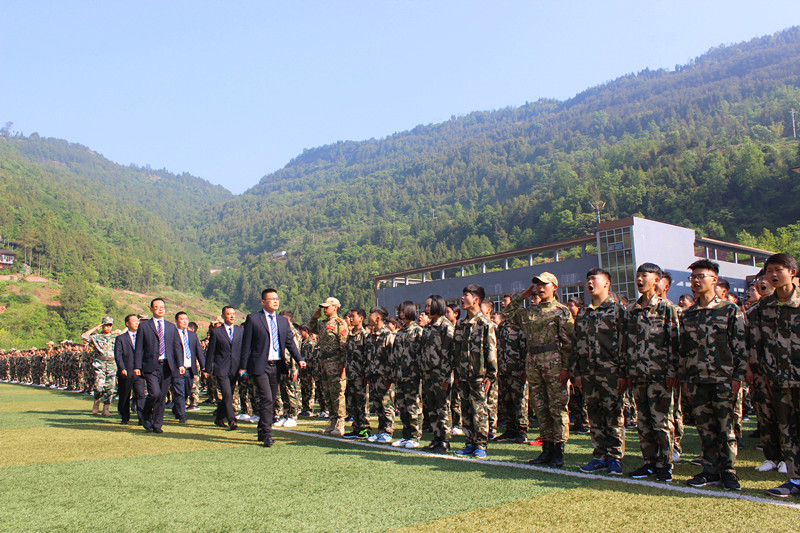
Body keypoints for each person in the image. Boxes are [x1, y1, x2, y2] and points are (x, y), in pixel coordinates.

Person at [679, 259, 746, 491]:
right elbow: (684, 350)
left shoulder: (730, 309)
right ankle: (709, 470)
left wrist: (739, 376)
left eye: (701, 276)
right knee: (705, 428)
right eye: (693, 277)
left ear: (714, 280)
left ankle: (728, 471)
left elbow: (740, 345)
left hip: (724, 379)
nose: (696, 281)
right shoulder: (687, 315)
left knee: (726, 428)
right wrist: (686, 378)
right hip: (697, 380)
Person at [504, 272, 574, 468]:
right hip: (534, 362)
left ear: (554, 287)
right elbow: (508, 314)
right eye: (537, 284)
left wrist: (567, 368)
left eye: (544, 284)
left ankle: (558, 452)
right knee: (540, 408)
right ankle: (547, 449)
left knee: (557, 407)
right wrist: (522, 297)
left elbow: (568, 344)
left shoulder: (561, 311)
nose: (540, 288)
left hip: (554, 363)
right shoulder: (530, 312)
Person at [749, 253, 800, 497]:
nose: (773, 274)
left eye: (779, 269)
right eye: (769, 271)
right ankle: (795, 479)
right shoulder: (762, 307)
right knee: (788, 430)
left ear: (792, 272)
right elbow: (749, 338)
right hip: (778, 380)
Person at [625, 263, 680, 482]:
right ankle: (648, 462)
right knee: (644, 421)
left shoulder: (667, 308)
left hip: (660, 374)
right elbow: (627, 343)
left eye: (644, 276)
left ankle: (664, 464)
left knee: (662, 421)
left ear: (656, 280)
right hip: (638, 374)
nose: (640, 279)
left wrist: (673, 371)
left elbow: (674, 341)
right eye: (638, 276)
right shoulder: (632, 309)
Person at [573, 268, 627, 475]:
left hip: (611, 373)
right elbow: (577, 344)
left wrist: (623, 372)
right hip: (588, 373)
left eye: (594, 279)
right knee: (594, 414)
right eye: (588, 279)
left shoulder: (617, 311)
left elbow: (625, 343)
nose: (590, 283)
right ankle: (599, 456)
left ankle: (614, 457)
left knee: (613, 414)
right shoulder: (584, 313)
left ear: (607, 283)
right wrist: (577, 371)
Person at [240, 289, 305, 447]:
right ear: (263, 302)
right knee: (267, 398)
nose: (275, 301)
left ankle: (262, 430)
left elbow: (289, 342)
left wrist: (299, 359)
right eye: (271, 299)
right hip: (260, 366)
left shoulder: (282, 321)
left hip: (276, 366)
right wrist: (243, 367)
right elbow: (246, 345)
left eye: (277, 299)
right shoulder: (254, 319)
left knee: (270, 399)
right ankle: (268, 434)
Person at [453, 284, 497, 459]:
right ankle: (469, 443)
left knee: (479, 410)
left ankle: (481, 445)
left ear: (476, 300)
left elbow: (491, 351)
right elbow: (456, 352)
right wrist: (456, 374)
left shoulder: (486, 324)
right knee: (466, 410)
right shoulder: (461, 325)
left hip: (479, 377)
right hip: (463, 375)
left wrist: (491, 375)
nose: (462, 299)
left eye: (466, 296)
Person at [133, 298, 182, 433]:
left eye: (162, 307)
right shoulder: (144, 326)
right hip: (150, 366)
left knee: (161, 397)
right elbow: (139, 348)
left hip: (167, 366)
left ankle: (157, 424)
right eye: (157, 307)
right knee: (154, 393)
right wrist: (137, 366)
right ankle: (146, 415)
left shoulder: (171, 326)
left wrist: (180, 364)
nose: (160, 309)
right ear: (151, 309)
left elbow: (176, 346)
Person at [420, 295, 455, 452]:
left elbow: (449, 353)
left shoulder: (446, 327)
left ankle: (445, 440)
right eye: (426, 306)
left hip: (440, 373)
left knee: (442, 407)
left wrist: (446, 376)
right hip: (428, 372)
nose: (426, 309)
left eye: (429, 306)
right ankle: (436, 437)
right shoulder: (427, 328)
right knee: (431, 407)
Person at [310, 297, 349, 437]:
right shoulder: (322, 323)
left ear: (335, 307)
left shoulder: (340, 323)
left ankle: (340, 423)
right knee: (327, 392)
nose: (324, 309)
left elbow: (343, 345)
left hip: (335, 361)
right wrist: (314, 318)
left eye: (327, 307)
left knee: (338, 392)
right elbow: (311, 329)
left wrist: (343, 365)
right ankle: (332, 421)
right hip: (324, 361)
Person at [205, 306, 244, 431]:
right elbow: (211, 352)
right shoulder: (217, 332)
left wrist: (244, 367)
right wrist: (206, 369)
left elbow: (244, 351)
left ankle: (219, 417)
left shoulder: (240, 331)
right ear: (223, 316)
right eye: (228, 314)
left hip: (235, 368)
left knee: (229, 394)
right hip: (221, 368)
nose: (232, 316)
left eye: (233, 313)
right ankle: (231, 420)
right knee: (227, 393)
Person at [392, 301, 424, 449]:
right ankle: (406, 435)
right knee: (403, 406)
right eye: (400, 311)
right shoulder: (400, 332)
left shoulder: (418, 331)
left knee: (413, 406)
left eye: (404, 311)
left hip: (412, 375)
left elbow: (421, 355)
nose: (401, 314)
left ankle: (415, 436)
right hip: (400, 375)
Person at [366, 306, 397, 444]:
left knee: (386, 405)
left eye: (371, 314)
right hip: (373, 376)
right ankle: (381, 431)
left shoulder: (387, 335)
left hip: (384, 377)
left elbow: (392, 358)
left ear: (378, 317)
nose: (369, 317)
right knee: (378, 405)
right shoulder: (371, 336)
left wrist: (389, 377)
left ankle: (388, 431)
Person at [173, 311, 205, 424]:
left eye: (186, 319)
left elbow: (198, 352)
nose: (185, 321)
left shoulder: (192, 335)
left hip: (190, 369)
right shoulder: (173, 334)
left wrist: (203, 367)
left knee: (186, 390)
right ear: (176, 321)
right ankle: (182, 415)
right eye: (182, 319)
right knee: (179, 392)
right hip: (178, 369)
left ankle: (176, 408)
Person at [82, 316, 118, 417]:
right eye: (106, 325)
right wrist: (95, 328)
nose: (108, 327)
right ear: (102, 325)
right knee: (99, 387)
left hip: (112, 365)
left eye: (110, 325)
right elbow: (84, 336)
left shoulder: (115, 337)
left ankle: (106, 408)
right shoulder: (96, 337)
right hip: (100, 365)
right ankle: (96, 401)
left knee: (110, 388)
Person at [343, 308, 371, 439]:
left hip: (360, 374)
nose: (351, 318)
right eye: (350, 316)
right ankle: (356, 427)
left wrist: (366, 373)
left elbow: (368, 356)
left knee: (361, 402)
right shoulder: (350, 334)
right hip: (351, 374)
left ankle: (365, 428)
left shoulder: (364, 335)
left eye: (353, 316)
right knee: (352, 402)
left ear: (361, 318)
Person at [114, 314, 144, 425]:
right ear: (127, 324)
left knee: (140, 395)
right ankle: (125, 417)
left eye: (138, 321)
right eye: (134, 321)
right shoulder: (121, 338)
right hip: (126, 371)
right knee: (125, 395)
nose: (137, 323)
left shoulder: (142, 337)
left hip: (139, 371)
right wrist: (122, 368)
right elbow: (118, 355)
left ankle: (142, 418)